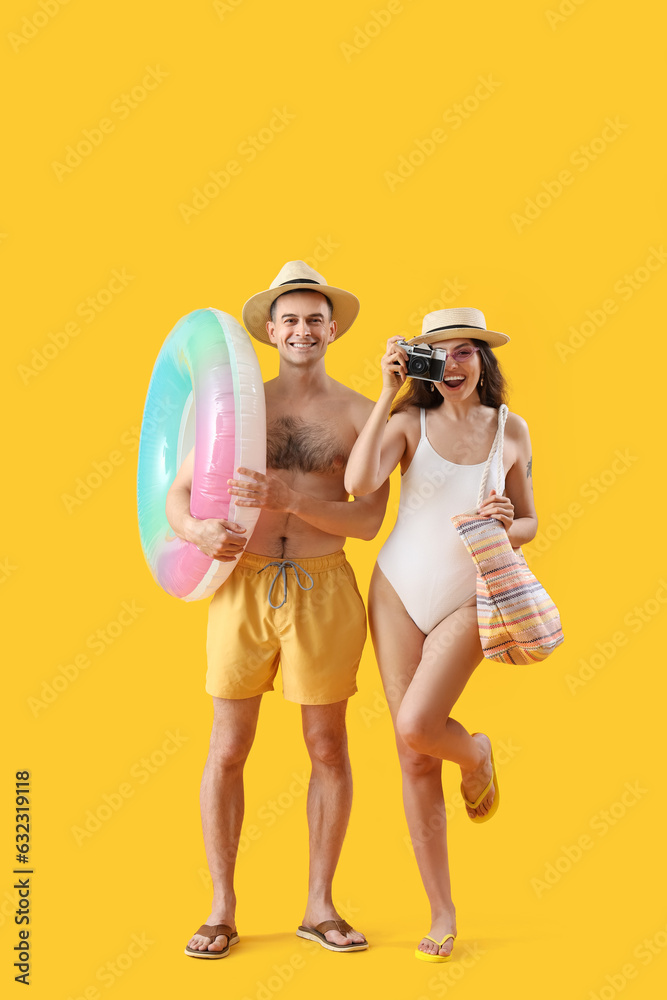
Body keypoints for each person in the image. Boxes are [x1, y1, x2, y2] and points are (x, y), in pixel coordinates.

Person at [166, 261, 389, 958]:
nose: (301, 329)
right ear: (269, 330)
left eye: (313, 318)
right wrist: (199, 531)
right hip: (241, 583)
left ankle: (319, 905)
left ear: (331, 330)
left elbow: (369, 519)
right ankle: (221, 906)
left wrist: (294, 502)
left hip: (324, 586)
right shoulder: (232, 408)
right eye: (289, 318)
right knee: (227, 747)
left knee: (326, 746)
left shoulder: (358, 413)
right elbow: (175, 496)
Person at [344, 307, 538, 962]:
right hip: (397, 591)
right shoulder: (406, 421)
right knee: (412, 756)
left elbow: (529, 524)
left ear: (483, 360)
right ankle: (441, 910)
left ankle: (476, 754)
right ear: (422, 366)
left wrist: (506, 519)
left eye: (465, 352)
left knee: (417, 726)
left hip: (470, 595)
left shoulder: (511, 431)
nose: (453, 365)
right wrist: (385, 392)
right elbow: (357, 481)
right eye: (439, 355)